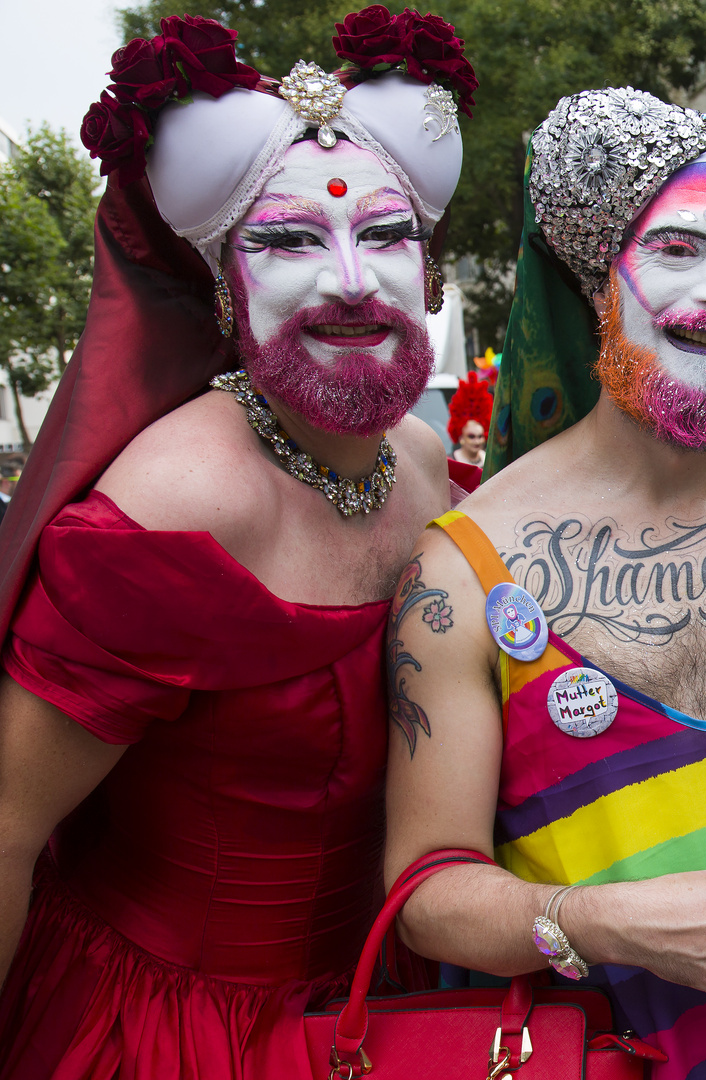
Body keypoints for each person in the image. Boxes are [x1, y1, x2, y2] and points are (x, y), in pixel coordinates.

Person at [0, 10, 472, 1075]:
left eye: (387, 236)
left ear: (432, 273)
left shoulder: (428, 462)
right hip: (166, 1033)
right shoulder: (170, 507)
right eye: (289, 241)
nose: (351, 280)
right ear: (224, 281)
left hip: (386, 1011)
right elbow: (6, 828)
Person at [382, 88, 706, 1079]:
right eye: (678, 249)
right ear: (597, 282)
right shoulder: (462, 568)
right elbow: (423, 893)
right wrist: (600, 922)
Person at [448, 370, 493, 468]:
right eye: (471, 436)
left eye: (480, 436)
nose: (477, 441)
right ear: (461, 438)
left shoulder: (490, 462)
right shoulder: (451, 463)